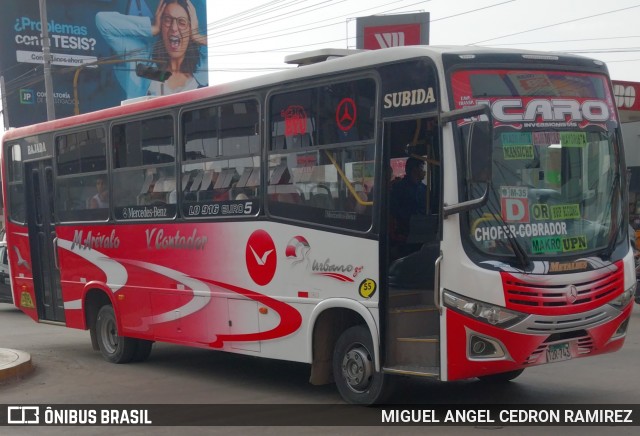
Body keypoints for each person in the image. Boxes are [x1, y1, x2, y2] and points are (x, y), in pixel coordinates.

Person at [96, 0, 208, 98]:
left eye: (181, 22)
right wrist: (152, 28)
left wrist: (197, 36)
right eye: (167, 20)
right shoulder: (142, 57)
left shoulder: (203, 66)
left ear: (190, 27)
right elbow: (102, 21)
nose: (174, 28)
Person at [389, 157, 427, 257]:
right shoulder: (399, 188)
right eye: (422, 168)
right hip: (405, 233)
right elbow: (394, 211)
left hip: (423, 231)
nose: (424, 171)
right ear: (414, 170)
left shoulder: (424, 189)